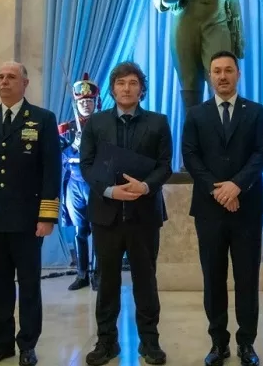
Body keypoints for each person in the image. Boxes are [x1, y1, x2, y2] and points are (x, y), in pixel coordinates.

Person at [0, 61, 60, 366]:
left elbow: (51, 170)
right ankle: (1, 344)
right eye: (1, 77)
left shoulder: (42, 119)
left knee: (28, 286)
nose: (4, 81)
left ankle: (27, 344)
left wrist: (47, 216)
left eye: (11, 77)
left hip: (27, 220)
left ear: (25, 83)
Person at [182, 50, 263, 366]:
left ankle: (247, 343)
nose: (222, 76)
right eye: (217, 71)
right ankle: (218, 343)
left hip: (247, 207)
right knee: (213, 278)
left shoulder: (256, 111)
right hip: (209, 209)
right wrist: (217, 189)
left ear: (238, 74)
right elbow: (190, 156)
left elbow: (262, 153)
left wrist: (237, 185)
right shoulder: (196, 114)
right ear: (209, 76)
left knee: (247, 279)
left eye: (228, 70)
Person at [80, 62, 173, 366]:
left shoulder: (158, 122)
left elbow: (165, 166)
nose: (127, 88)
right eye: (121, 83)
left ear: (141, 89)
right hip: (106, 215)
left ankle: (150, 341)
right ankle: (106, 342)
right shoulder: (95, 123)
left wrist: (145, 186)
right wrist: (109, 191)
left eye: (133, 83)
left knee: (145, 281)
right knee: (106, 282)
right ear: (113, 89)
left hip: (144, 215)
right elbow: (87, 165)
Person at [59, 72, 101, 291]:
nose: (86, 104)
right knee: (80, 231)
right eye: (82, 101)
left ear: (96, 102)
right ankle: (82, 274)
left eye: (89, 101)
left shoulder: (105, 125)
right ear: (77, 103)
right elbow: (57, 155)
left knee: (99, 229)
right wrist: (74, 145)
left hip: (96, 183)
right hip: (74, 183)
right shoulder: (66, 128)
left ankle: (99, 274)